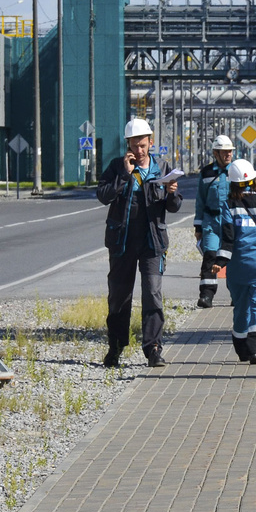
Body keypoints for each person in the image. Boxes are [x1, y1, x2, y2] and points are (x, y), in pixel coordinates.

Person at [96, 118, 183, 368]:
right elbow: (103, 196)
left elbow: (174, 206)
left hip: (152, 242)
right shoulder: (116, 167)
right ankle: (116, 347)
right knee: (119, 297)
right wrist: (124, 174)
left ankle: (153, 348)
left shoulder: (162, 168)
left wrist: (171, 193)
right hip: (122, 242)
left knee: (153, 294)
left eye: (143, 145)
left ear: (151, 143)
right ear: (128, 144)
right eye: (134, 145)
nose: (139, 151)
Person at [213, 159, 256, 365]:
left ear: (232, 184)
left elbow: (227, 238)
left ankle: (243, 349)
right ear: (254, 180)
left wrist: (220, 261)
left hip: (237, 267)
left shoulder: (228, 206)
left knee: (241, 308)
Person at [194, 134, 235, 308]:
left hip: (232, 223)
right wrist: (198, 226)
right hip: (211, 221)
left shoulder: (237, 171)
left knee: (234, 259)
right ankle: (206, 296)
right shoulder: (207, 173)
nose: (228, 155)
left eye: (230, 152)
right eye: (224, 152)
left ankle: (237, 294)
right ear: (215, 153)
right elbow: (200, 200)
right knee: (210, 257)